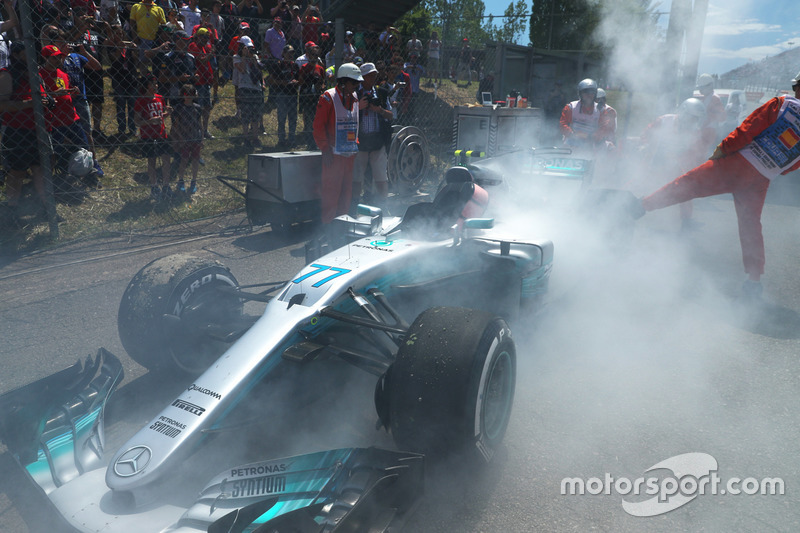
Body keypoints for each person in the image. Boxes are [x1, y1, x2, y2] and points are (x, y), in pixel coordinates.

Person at [638, 74, 800, 299]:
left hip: (738, 164)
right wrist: (773, 168)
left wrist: (723, 149)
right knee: (751, 226)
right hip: (762, 178)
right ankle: (754, 282)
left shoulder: (781, 104)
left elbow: (747, 129)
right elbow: (792, 164)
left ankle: (640, 206)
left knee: (687, 183)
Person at [638, 98, 714, 231]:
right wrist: (645, 144)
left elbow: (696, 152)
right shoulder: (665, 120)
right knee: (650, 189)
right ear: (684, 113)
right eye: (692, 117)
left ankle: (686, 221)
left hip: (675, 166)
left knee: (684, 191)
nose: (694, 121)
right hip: (655, 162)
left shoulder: (694, 131)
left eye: (697, 119)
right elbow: (646, 133)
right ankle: (636, 213)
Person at [0, 42, 47, 216]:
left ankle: (46, 208)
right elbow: (2, 104)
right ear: (17, 55)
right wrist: (30, 103)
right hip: (17, 130)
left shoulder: (35, 74)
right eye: (28, 53)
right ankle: (12, 209)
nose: (33, 56)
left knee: (41, 169)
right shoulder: (7, 74)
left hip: (38, 129)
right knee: (17, 171)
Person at [313, 62, 362, 225]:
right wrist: (325, 149)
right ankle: (327, 227)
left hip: (349, 154)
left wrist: (355, 145)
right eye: (354, 82)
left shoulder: (354, 98)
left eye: (357, 83)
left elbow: (354, 124)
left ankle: (342, 226)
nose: (356, 85)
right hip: (333, 154)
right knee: (331, 193)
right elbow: (318, 126)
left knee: (346, 192)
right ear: (343, 81)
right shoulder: (328, 97)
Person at [353, 62, 392, 212]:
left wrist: (379, 109)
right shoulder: (355, 94)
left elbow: (391, 115)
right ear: (363, 77)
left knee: (381, 177)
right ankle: (354, 205)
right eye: (370, 76)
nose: (373, 78)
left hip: (377, 142)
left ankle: (383, 206)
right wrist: (359, 107)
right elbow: (345, 113)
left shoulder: (381, 93)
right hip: (360, 142)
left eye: (374, 75)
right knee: (357, 177)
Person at [135, 73, 173, 200]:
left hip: (161, 134)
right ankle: (154, 186)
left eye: (156, 83)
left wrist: (168, 113)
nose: (156, 86)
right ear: (145, 86)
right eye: (152, 84)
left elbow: (162, 115)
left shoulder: (160, 98)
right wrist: (150, 121)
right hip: (148, 136)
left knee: (166, 159)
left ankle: (166, 185)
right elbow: (137, 121)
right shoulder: (141, 100)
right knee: (152, 161)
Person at [170, 83, 202, 194]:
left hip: (195, 138)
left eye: (191, 93)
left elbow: (199, 124)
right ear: (182, 94)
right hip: (184, 138)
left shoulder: (197, 108)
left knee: (195, 160)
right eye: (185, 93)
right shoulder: (178, 108)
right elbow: (175, 125)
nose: (188, 96)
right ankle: (181, 181)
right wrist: (180, 137)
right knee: (183, 160)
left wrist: (201, 138)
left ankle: (194, 181)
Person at [233, 35, 264, 146]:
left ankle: (255, 137)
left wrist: (254, 58)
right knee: (246, 113)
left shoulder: (255, 57)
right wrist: (244, 57)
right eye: (247, 48)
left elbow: (259, 71)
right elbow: (241, 70)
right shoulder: (237, 57)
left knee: (256, 114)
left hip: (256, 87)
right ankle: (246, 138)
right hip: (244, 87)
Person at [559, 78, 605, 151]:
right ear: (580, 93)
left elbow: (603, 128)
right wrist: (572, 134)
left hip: (590, 145)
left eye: (592, 92)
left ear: (595, 94)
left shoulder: (601, 110)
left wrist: (591, 137)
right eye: (585, 92)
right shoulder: (570, 107)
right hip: (571, 144)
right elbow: (563, 124)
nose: (589, 95)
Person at [188, 27, 215, 138]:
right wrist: (211, 53)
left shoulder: (204, 48)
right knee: (199, 108)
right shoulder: (193, 46)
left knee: (207, 107)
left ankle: (205, 130)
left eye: (207, 38)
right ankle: (198, 130)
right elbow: (202, 59)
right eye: (204, 37)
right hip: (198, 83)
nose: (206, 40)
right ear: (198, 36)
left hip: (206, 81)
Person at [269, 44, 298, 148]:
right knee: (281, 118)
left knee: (293, 118)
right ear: (284, 54)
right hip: (282, 94)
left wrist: (296, 82)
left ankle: (291, 139)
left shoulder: (294, 65)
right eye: (289, 53)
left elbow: (299, 79)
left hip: (293, 94)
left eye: (292, 53)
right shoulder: (278, 65)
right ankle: (281, 140)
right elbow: (271, 80)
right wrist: (282, 82)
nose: (291, 55)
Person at [297, 40, 324, 148]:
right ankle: (309, 142)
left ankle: (316, 141)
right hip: (307, 96)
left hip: (316, 96)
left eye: (317, 55)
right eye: (313, 55)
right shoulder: (304, 67)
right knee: (308, 120)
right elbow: (300, 81)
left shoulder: (320, 68)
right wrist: (309, 80)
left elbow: (322, 82)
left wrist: (319, 85)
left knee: (317, 120)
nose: (315, 57)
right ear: (309, 55)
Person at [129, 0, 167, 71]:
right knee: (143, 61)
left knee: (156, 62)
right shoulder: (136, 6)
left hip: (155, 39)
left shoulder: (158, 9)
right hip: (141, 38)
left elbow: (163, 25)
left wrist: (160, 37)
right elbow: (132, 22)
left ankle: (154, 78)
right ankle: (143, 79)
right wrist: (135, 36)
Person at [696, 73, 725, 145]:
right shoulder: (706, 98)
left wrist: (707, 117)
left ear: (709, 86)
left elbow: (722, 117)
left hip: (709, 132)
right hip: (704, 131)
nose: (700, 90)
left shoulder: (714, 98)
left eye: (702, 87)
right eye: (700, 87)